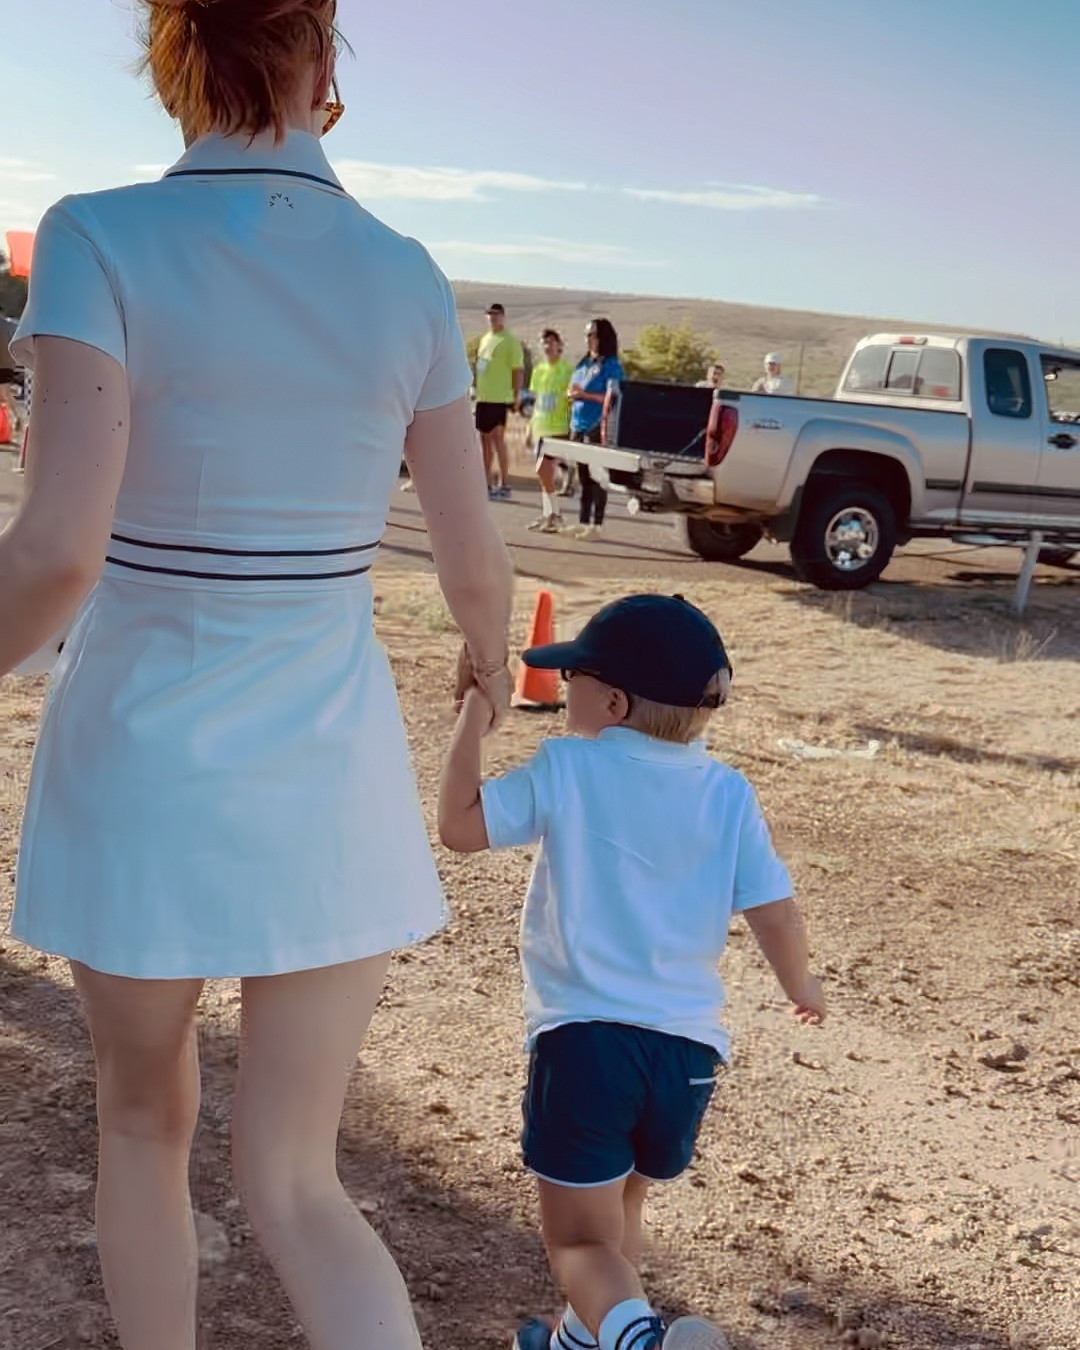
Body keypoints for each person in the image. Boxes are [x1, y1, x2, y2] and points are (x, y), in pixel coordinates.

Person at [0, 2, 513, 1348]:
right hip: (328, 773)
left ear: (174, 53)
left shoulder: (98, 235)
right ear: (321, 60)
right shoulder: (406, 273)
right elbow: (476, 574)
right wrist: (490, 665)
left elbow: (57, 553)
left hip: (140, 756)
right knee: (298, 1181)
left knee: (139, 1118)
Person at [439, 593, 826, 1350]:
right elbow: (774, 909)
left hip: (588, 1046)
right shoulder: (727, 791)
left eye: (574, 677)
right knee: (619, 1221)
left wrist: (469, 722)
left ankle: (638, 1342)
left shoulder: (571, 765)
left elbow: (459, 827)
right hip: (688, 1056)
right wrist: (801, 988)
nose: (563, 691)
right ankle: (580, 1341)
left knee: (580, 1246)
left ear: (611, 701)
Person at [569, 318, 622, 539]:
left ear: (603, 338)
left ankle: (597, 525)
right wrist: (572, 393)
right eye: (587, 335)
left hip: (596, 425)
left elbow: (614, 397)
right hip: (578, 423)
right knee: (582, 477)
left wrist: (585, 395)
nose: (588, 339)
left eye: (592, 335)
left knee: (596, 476)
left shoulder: (611, 365)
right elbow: (574, 386)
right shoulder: (584, 363)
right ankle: (582, 521)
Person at [475, 301, 525, 499]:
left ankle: (505, 484)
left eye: (496, 314)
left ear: (503, 316)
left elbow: (518, 370)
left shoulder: (509, 340)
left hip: (499, 398)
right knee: (484, 441)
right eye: (489, 314)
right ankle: (485, 484)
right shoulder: (485, 339)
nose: (492, 317)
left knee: (498, 440)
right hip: (483, 397)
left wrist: (516, 395)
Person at [527, 328, 573, 532]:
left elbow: (572, 401)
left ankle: (555, 515)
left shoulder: (566, 370)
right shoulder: (538, 371)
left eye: (552, 342)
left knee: (543, 469)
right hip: (540, 426)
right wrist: (530, 428)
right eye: (544, 342)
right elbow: (537, 401)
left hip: (558, 427)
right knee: (544, 475)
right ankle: (549, 515)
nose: (548, 346)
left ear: (559, 345)